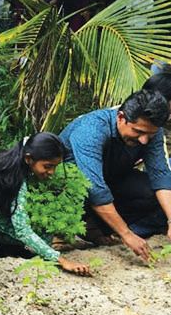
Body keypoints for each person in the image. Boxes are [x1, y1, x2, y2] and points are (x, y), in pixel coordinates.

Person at [59, 90, 171, 263]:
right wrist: (126, 234)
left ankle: (105, 228)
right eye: (138, 132)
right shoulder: (91, 129)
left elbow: (160, 175)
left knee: (152, 194)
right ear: (120, 117)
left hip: (112, 181)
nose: (144, 140)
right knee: (85, 189)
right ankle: (83, 228)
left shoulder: (151, 132)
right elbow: (94, 188)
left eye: (150, 135)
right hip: (73, 189)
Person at [0, 133, 91, 274]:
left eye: (55, 167)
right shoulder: (13, 177)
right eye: (48, 166)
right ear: (28, 159)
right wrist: (60, 260)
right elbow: (22, 230)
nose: (51, 172)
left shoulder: (12, 163)